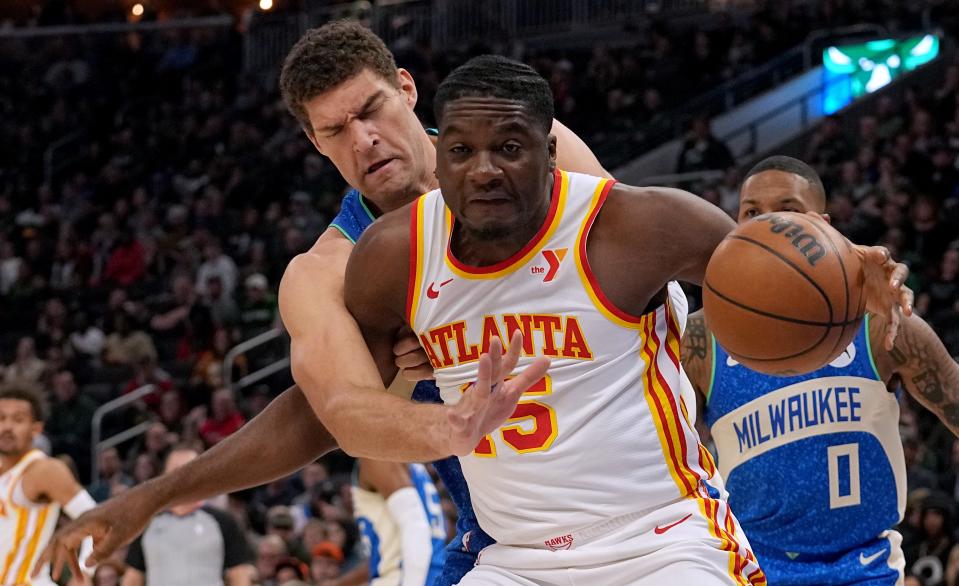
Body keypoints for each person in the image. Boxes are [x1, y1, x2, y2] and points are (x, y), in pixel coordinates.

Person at [40, 21, 608, 585]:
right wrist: (154, 496)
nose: (362, 140)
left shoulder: (524, 144)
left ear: (406, 89)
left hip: (645, 496)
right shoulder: (327, 271)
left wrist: (470, 321)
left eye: (370, 110)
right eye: (335, 129)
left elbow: (649, 282)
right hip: (505, 540)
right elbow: (320, 415)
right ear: (315, 142)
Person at [681, 155, 959, 585]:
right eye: (752, 212)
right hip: (749, 567)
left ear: (824, 224)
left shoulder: (880, 325)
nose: (767, 223)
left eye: (788, 210)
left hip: (867, 569)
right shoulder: (702, 338)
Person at [0, 386, 97, 585]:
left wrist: (84, 575)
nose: (7, 426)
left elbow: (99, 521)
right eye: (1, 418)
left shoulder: (45, 470)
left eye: (18, 420)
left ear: (36, 429)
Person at [121, 446, 255, 586]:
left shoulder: (224, 521)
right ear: (164, 475)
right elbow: (133, 578)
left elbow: (239, 576)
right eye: (175, 470)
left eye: (189, 469)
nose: (182, 476)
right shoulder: (147, 524)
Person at [351, 459, 446, 585]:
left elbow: (416, 527)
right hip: (429, 574)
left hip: (405, 577)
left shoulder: (377, 456)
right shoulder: (409, 463)